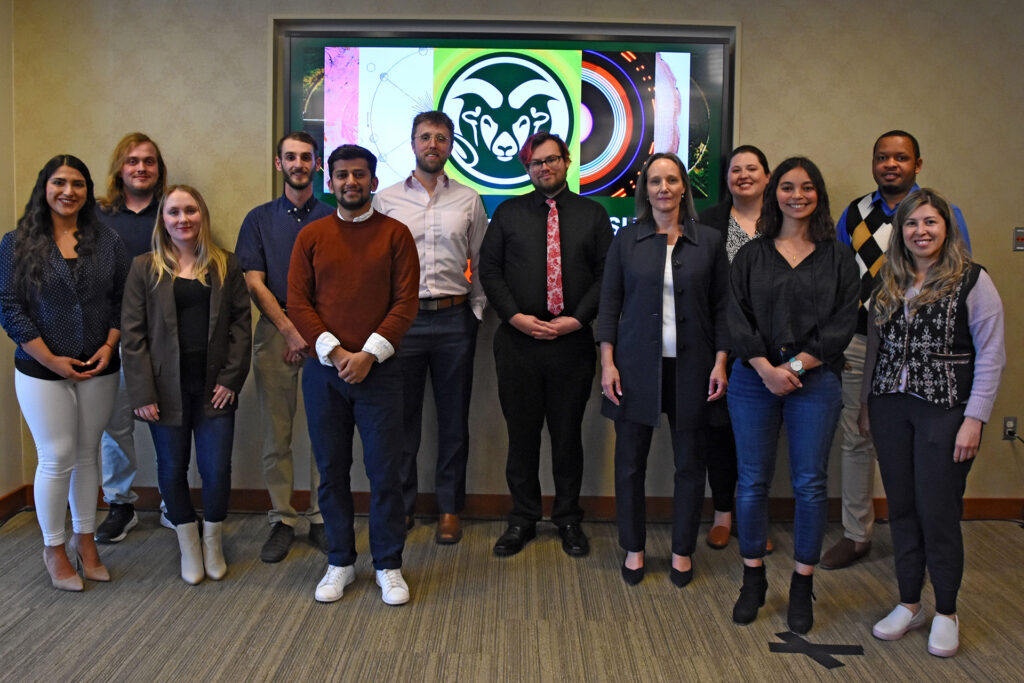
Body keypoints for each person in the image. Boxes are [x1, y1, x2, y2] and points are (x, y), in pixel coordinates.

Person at [861, 189, 1003, 657]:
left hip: (945, 411)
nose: (921, 231)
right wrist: (867, 406)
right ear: (900, 233)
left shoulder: (972, 281)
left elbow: (991, 356)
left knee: (938, 512)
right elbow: (876, 352)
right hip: (890, 409)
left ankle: (945, 610)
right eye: (911, 224)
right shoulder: (889, 281)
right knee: (900, 509)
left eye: (930, 222)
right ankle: (908, 603)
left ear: (946, 228)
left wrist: (975, 419)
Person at [823, 131, 971, 570]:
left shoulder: (941, 214)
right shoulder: (854, 213)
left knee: (924, 442)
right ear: (873, 163)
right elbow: (837, 276)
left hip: (926, 349)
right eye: (883, 157)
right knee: (856, 438)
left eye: (901, 158)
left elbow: (962, 280)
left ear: (918, 164)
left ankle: (924, 536)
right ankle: (856, 534)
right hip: (861, 342)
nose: (891, 164)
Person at [727, 157, 858, 633]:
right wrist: (766, 369)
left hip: (815, 382)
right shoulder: (752, 255)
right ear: (773, 194)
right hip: (753, 380)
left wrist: (795, 367)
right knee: (752, 482)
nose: (796, 195)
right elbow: (735, 318)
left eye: (806, 187)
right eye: (786, 186)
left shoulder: (839, 257)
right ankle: (753, 580)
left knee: (809, 485)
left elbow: (843, 323)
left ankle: (803, 584)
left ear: (818, 194)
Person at [288, 144, 419, 605]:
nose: (351, 182)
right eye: (342, 175)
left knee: (385, 473)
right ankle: (340, 561)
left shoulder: (396, 235)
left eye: (359, 175)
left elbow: (406, 303)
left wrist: (368, 354)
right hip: (325, 375)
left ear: (373, 180)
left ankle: (388, 565)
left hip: (380, 374)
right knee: (331, 472)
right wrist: (336, 351)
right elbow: (298, 302)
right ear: (331, 180)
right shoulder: (312, 236)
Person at [479, 132, 613, 558]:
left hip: (571, 345)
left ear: (567, 161)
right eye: (536, 163)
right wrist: (516, 317)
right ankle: (522, 518)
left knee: (567, 436)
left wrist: (576, 320)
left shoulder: (593, 215)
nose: (544, 168)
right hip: (518, 343)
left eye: (551, 160)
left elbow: (605, 275)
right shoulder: (507, 213)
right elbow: (490, 271)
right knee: (521, 437)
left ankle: (569, 518)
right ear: (527, 168)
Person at [597, 153, 729, 586]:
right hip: (635, 369)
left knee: (690, 464)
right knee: (630, 463)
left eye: (672, 180)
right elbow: (609, 305)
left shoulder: (708, 241)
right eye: (656, 181)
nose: (664, 188)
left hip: (694, 368)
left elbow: (722, 308)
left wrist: (722, 362)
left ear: (683, 188)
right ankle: (634, 548)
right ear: (644, 189)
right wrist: (608, 364)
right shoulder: (627, 241)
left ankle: (681, 550)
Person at [0, 155, 129, 590]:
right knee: (56, 457)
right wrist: (51, 359)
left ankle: (85, 541)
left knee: (88, 453)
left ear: (87, 191)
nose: (68, 191)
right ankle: (54, 548)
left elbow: (119, 301)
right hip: (41, 369)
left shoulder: (107, 241)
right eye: (59, 182)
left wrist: (109, 346)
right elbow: (10, 308)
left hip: (99, 364)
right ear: (45, 188)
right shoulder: (15, 243)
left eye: (77, 184)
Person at [121, 185, 251, 585]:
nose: (183, 219)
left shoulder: (225, 264)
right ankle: (188, 543)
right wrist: (141, 393)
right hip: (164, 392)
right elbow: (133, 335)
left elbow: (241, 327)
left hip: (215, 389)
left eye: (191, 210)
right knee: (172, 469)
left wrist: (231, 380)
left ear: (202, 216)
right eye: (174, 212)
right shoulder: (144, 267)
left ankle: (212, 540)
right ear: (164, 219)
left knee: (216, 470)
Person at [373, 111, 489, 544]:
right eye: (425, 137)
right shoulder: (385, 200)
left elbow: (480, 261)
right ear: (412, 143)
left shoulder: (469, 199)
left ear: (451, 145)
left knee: (453, 420)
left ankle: (448, 508)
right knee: (401, 421)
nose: (433, 145)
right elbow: (375, 266)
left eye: (441, 138)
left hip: (455, 321)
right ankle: (402, 506)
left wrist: (475, 310)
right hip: (402, 324)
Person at [235, 131, 334, 562]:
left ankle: (319, 516)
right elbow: (254, 281)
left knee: (322, 434)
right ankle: (283, 518)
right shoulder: (258, 219)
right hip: (275, 333)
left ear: (317, 163)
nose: (298, 163)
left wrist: (309, 333)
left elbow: (339, 285)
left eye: (306, 157)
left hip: (326, 334)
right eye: (290, 157)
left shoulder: (334, 217)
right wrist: (290, 331)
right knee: (277, 434)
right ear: (279, 164)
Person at [697, 145, 771, 550]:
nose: (743, 175)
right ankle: (723, 513)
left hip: (772, 347)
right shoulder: (708, 222)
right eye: (735, 170)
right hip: (719, 347)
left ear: (767, 176)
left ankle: (753, 517)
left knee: (760, 435)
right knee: (719, 433)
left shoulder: (783, 221)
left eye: (752, 168)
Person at [94, 132, 167, 543]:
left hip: (162, 336)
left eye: (150, 161)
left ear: (159, 170)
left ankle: (173, 502)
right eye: (133, 161)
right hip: (111, 336)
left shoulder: (171, 213)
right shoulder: (98, 216)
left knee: (168, 420)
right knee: (114, 423)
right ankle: (121, 503)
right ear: (120, 168)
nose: (141, 168)